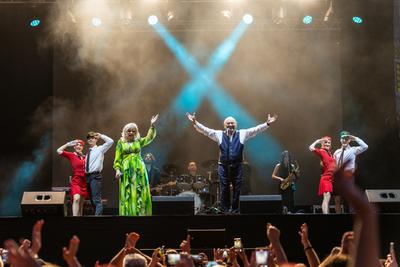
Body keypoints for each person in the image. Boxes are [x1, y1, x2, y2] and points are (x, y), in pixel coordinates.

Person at [186, 112, 278, 214]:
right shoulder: (219, 134)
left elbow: (255, 130)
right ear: (225, 125)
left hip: (237, 165)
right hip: (223, 165)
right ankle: (225, 210)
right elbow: (206, 130)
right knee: (224, 187)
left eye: (232, 123)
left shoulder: (242, 133)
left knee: (237, 188)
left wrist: (267, 124)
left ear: (235, 125)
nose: (230, 125)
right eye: (228, 123)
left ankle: (234, 210)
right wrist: (195, 122)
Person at [114, 114, 159, 216]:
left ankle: (140, 213)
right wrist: (117, 170)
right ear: (125, 132)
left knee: (139, 190)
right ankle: (128, 214)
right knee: (128, 191)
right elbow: (117, 158)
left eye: (133, 131)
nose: (131, 132)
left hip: (139, 169)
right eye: (129, 131)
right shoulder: (120, 143)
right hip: (126, 170)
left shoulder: (138, 141)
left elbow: (149, 138)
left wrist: (152, 125)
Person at [333, 131, 368, 213]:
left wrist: (354, 138)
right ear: (340, 140)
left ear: (349, 140)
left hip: (348, 177)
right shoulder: (337, 152)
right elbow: (334, 165)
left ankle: (351, 216)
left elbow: (365, 146)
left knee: (350, 198)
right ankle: (338, 218)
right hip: (339, 177)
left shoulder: (353, 150)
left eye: (346, 139)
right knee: (337, 199)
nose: (344, 140)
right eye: (342, 138)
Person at [57, 139, 88, 216]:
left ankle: (79, 221)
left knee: (81, 204)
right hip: (76, 181)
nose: (78, 146)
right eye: (77, 145)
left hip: (84, 181)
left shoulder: (85, 157)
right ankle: (74, 219)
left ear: (82, 147)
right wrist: (68, 144)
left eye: (80, 145)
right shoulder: (72, 155)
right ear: (74, 147)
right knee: (76, 198)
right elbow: (58, 151)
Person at [85, 132, 114, 216]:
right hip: (87, 177)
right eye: (88, 138)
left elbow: (110, 141)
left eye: (92, 137)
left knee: (96, 199)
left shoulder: (100, 149)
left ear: (96, 139)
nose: (90, 139)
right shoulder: (88, 153)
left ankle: (97, 219)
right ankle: (96, 216)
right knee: (91, 200)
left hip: (95, 176)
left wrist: (100, 135)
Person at [309, 136, 335, 214]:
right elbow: (310, 147)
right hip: (326, 178)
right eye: (325, 142)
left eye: (329, 142)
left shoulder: (330, 153)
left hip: (330, 179)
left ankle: (327, 214)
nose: (327, 144)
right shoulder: (322, 151)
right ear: (322, 143)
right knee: (326, 198)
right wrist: (317, 141)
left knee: (328, 198)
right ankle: (325, 215)